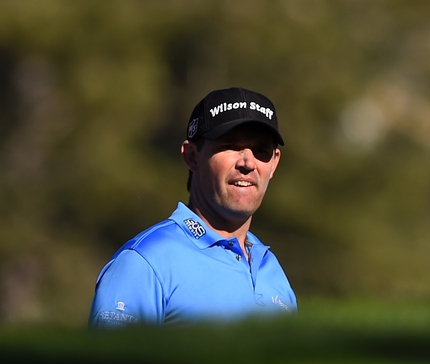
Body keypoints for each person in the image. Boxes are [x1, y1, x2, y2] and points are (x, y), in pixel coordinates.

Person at [89, 87, 297, 327]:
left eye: (261, 151)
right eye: (230, 146)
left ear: (274, 164)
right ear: (192, 156)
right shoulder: (145, 262)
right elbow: (109, 363)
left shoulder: (272, 271)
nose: (248, 163)